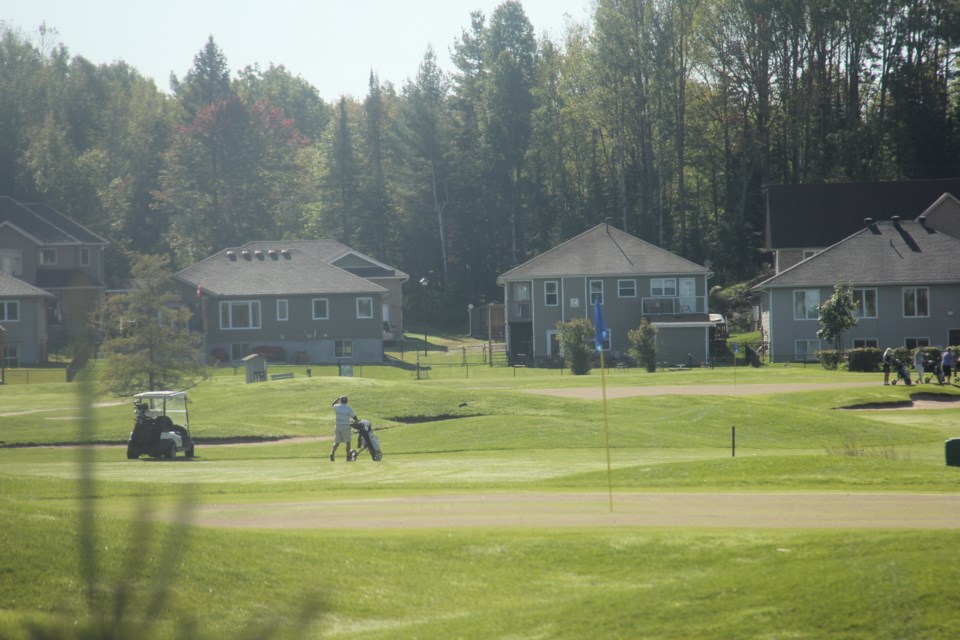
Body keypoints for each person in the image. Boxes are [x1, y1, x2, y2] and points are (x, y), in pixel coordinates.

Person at [330, 395, 356, 462]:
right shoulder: (348, 408)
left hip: (338, 427)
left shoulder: (337, 407)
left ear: (340, 401)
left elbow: (333, 404)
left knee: (337, 442)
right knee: (348, 443)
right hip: (345, 427)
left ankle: (332, 453)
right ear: (347, 401)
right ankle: (348, 457)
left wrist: (337, 398)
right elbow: (354, 417)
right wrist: (357, 421)